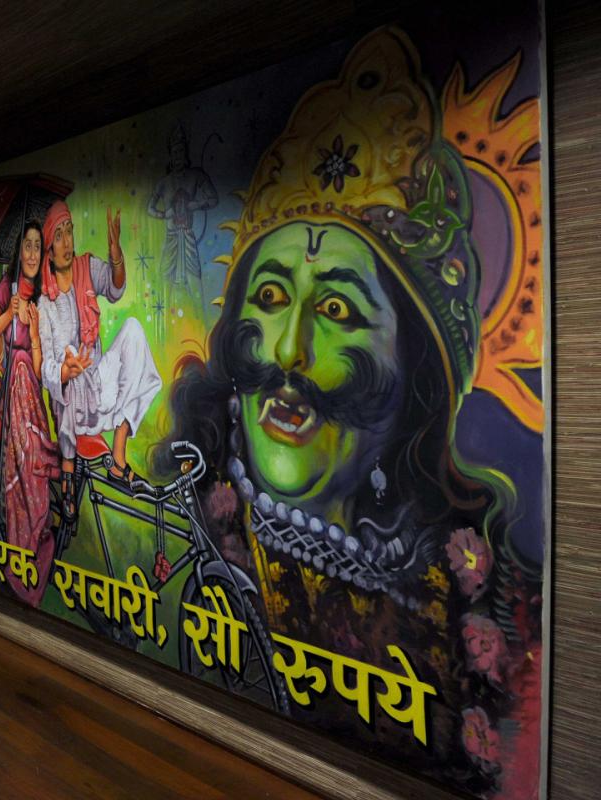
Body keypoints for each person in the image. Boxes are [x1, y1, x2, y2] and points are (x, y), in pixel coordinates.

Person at [153, 29, 540, 795]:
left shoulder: (480, 591)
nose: (288, 349)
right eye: (270, 296)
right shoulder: (177, 518)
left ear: (416, 372)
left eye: (335, 309)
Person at [35, 199, 162, 497]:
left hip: (99, 388)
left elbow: (115, 289)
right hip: (72, 405)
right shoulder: (45, 303)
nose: (67, 242)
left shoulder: (87, 268)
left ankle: (118, 455)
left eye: (69, 231)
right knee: (69, 354)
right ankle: (68, 469)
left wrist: (115, 253)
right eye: (58, 236)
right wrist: (64, 371)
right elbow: (46, 366)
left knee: (133, 329)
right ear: (49, 251)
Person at [0, 221, 59, 605]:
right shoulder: (7, 288)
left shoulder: (44, 296)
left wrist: (37, 331)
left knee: (39, 463)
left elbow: (41, 365)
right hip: (12, 388)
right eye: (27, 245)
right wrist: (8, 316)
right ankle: (20, 552)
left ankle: (38, 540)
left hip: (33, 392)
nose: (31, 253)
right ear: (19, 251)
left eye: (37, 246)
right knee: (24, 460)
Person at [147, 123, 218, 291]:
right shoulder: (164, 183)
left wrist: (196, 205)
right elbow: (150, 208)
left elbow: (213, 199)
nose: (178, 155)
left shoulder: (196, 175)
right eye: (175, 152)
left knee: (195, 285)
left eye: (181, 151)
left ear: (186, 153)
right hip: (171, 238)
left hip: (188, 239)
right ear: (171, 155)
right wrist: (164, 214)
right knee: (164, 285)